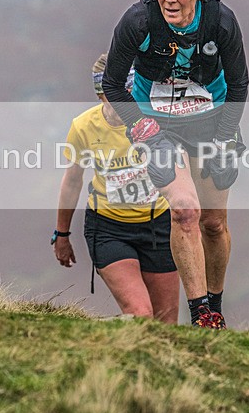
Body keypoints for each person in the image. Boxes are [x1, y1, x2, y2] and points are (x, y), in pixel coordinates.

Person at [102, 0, 249, 329]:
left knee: (213, 223)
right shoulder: (138, 21)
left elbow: (239, 84)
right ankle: (202, 315)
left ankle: (215, 304)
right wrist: (143, 130)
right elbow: (113, 84)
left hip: (211, 121)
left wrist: (225, 138)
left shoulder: (220, 22)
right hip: (157, 124)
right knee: (184, 211)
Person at [51, 54, 179, 324]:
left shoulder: (155, 120)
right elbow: (72, 181)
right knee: (142, 315)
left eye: (130, 93)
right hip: (109, 229)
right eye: (115, 94)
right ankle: (89, 335)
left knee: (167, 326)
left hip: (158, 226)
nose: (125, 101)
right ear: (101, 95)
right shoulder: (84, 127)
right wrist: (62, 234)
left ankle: (124, 346)